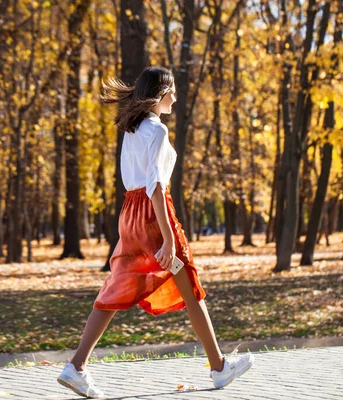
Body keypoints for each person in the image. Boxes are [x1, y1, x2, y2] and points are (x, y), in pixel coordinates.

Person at [57, 66, 254, 399]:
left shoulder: (132, 130)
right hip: (153, 216)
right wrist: (167, 239)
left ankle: (76, 367)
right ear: (160, 92)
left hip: (130, 215)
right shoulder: (158, 131)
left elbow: (141, 185)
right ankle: (219, 368)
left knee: (117, 288)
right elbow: (157, 188)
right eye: (172, 91)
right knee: (189, 284)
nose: (175, 97)